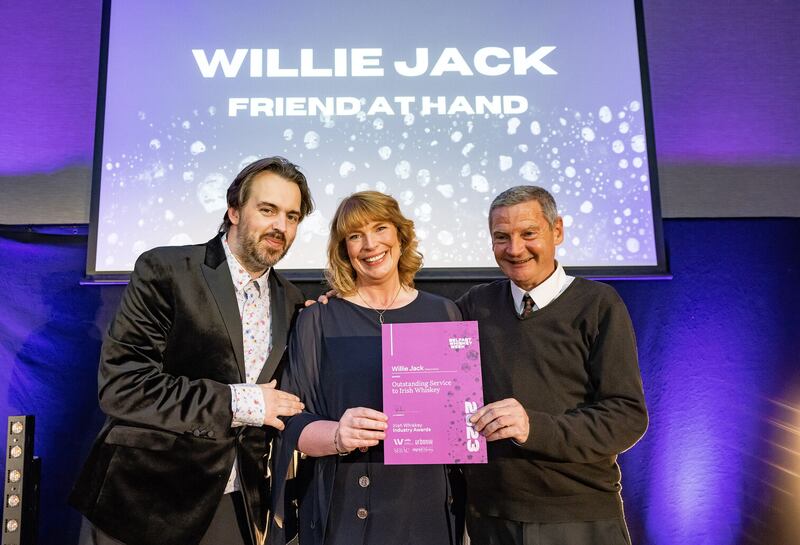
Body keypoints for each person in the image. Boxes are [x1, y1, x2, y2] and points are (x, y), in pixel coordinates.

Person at [70, 157, 314, 545]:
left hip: (236, 505)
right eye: (267, 210)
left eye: (292, 216)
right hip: (143, 503)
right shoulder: (167, 269)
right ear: (233, 211)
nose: (280, 226)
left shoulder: (292, 300)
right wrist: (245, 402)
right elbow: (123, 385)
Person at [270, 191, 464, 545]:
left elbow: (458, 412)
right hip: (346, 503)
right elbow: (290, 419)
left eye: (380, 228)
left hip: (427, 504)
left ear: (400, 236)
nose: (369, 244)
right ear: (344, 250)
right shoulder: (319, 318)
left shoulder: (444, 313)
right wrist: (336, 436)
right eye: (355, 235)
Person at [457, 185, 648, 545]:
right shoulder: (474, 305)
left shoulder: (598, 305)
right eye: (502, 237)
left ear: (556, 231)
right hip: (491, 518)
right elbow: (418, 360)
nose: (515, 249)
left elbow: (627, 417)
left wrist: (533, 427)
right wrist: (336, 305)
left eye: (529, 234)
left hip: (578, 518)